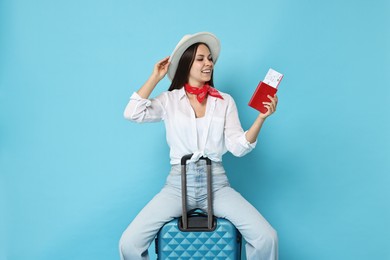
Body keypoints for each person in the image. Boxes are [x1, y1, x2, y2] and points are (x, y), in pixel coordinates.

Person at [119, 32, 278, 260]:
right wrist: (155, 77)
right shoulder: (169, 100)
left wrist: (261, 118)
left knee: (267, 237)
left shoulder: (225, 101)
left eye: (210, 58)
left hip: (217, 185)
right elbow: (132, 113)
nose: (209, 63)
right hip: (177, 186)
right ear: (187, 63)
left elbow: (238, 147)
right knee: (129, 242)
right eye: (201, 59)